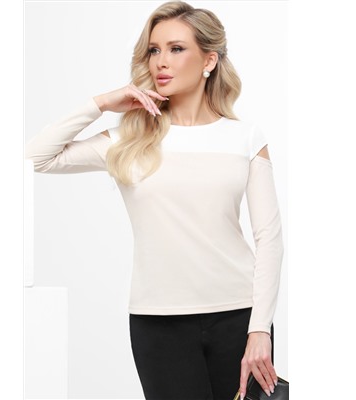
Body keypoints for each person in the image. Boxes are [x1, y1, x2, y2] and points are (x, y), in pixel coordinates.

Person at [25, 1, 284, 399]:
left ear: (209, 60)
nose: (161, 61)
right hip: (158, 322)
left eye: (176, 49)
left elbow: (269, 239)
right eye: (154, 50)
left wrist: (260, 329)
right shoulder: (128, 140)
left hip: (239, 317)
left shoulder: (245, 137)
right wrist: (101, 104)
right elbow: (36, 158)